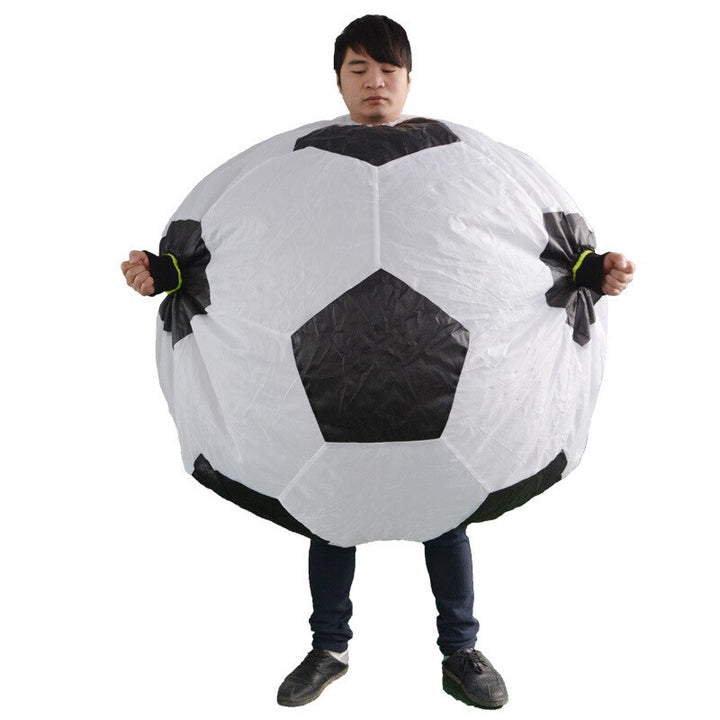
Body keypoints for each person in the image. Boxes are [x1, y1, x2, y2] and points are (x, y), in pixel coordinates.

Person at [121, 14, 635, 711]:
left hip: (440, 410)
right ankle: (328, 648)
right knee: (331, 513)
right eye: (359, 69)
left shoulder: (476, 171)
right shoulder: (282, 174)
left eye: (388, 69)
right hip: (330, 405)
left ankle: (460, 650)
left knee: (445, 512)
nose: (375, 82)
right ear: (337, 79)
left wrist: (598, 272)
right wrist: (160, 274)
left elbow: (527, 259)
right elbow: (238, 256)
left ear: (409, 78)